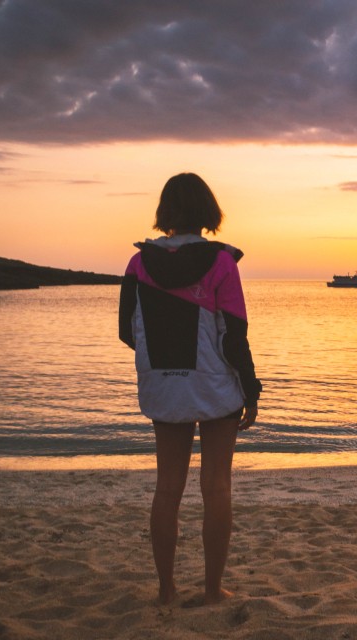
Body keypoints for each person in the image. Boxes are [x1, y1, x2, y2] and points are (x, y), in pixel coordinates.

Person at [118, 172, 262, 605]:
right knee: (216, 486)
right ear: (207, 211)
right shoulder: (221, 263)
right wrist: (250, 390)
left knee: (168, 488)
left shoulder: (138, 263)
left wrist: (165, 363)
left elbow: (128, 331)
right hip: (216, 387)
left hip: (165, 388)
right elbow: (234, 335)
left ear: (166, 212)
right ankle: (212, 589)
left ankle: (166, 591)